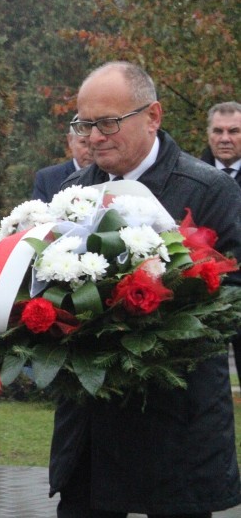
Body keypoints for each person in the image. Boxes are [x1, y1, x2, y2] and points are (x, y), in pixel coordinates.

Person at [49, 62, 241, 517]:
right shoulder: (72, 191)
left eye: (109, 123)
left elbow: (231, 297)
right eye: (85, 124)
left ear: (152, 116)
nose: (94, 137)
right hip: (91, 430)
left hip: (176, 425)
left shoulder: (208, 190)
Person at [199, 101, 241, 386]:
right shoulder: (191, 177)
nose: (225, 138)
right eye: (218, 131)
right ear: (208, 134)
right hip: (203, 295)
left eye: (234, 131)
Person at [32, 123, 94, 202]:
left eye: (94, 144)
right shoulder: (47, 179)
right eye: (83, 143)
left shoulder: (110, 176)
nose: (90, 151)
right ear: (70, 140)